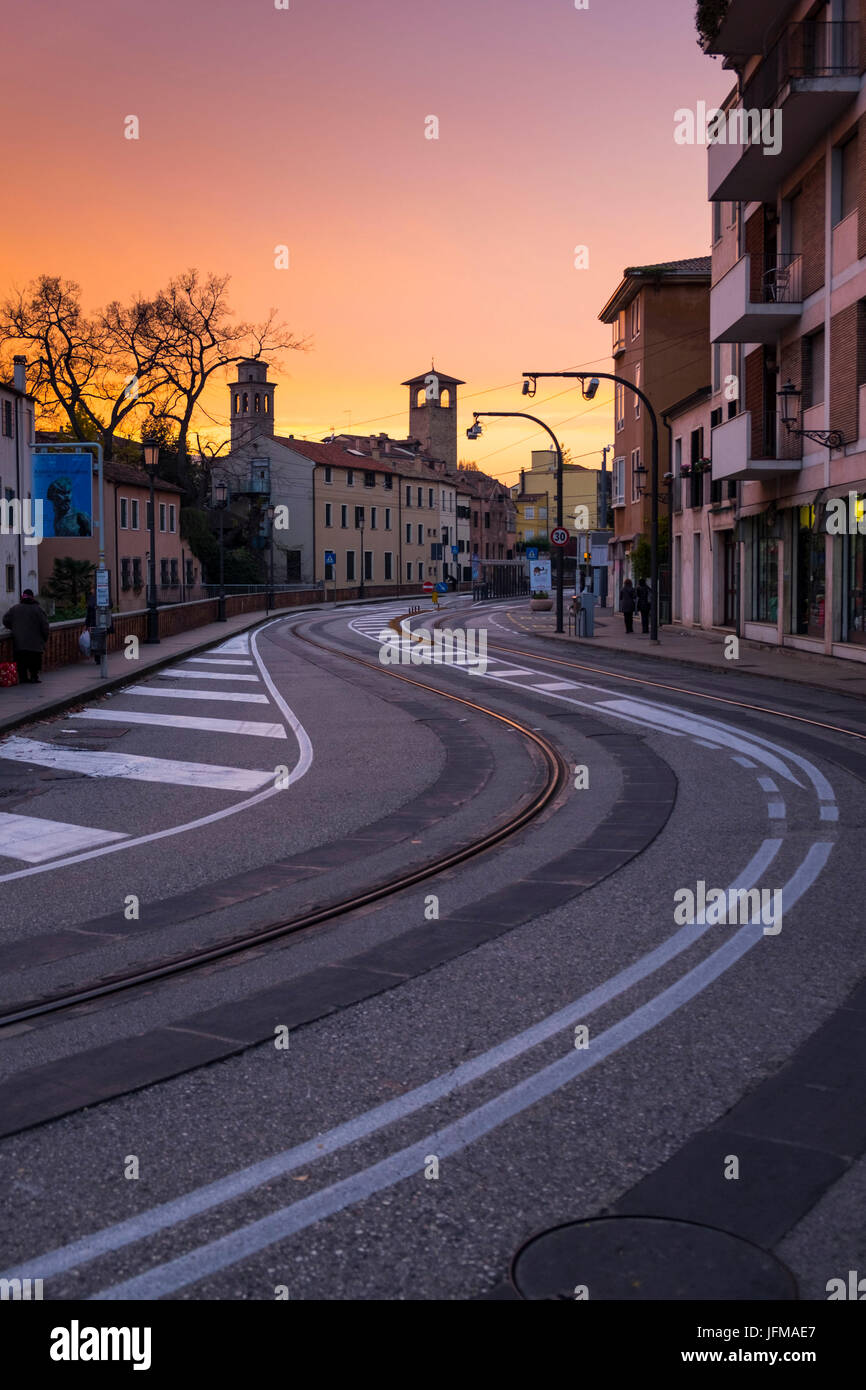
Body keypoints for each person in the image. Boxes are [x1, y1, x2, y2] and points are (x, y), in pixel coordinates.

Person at [2, 589, 50, 684]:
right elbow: (45, 626)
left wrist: (13, 627)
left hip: (20, 643)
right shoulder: (38, 609)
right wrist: (45, 638)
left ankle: (23, 678)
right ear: (32, 597)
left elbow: (5, 620)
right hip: (35, 644)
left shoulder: (15, 608)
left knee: (21, 662)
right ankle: (34, 677)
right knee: (34, 662)